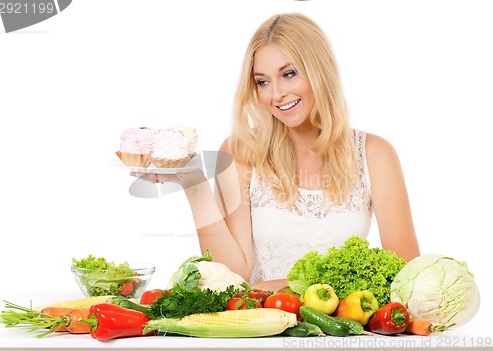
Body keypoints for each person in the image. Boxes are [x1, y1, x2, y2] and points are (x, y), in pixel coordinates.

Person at [133, 12, 420, 292]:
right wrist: (192, 182)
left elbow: (405, 275)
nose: (276, 94)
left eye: (289, 74)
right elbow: (233, 275)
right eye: (263, 81)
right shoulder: (241, 151)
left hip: (341, 333)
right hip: (261, 331)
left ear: (319, 71)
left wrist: (293, 286)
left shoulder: (374, 154)